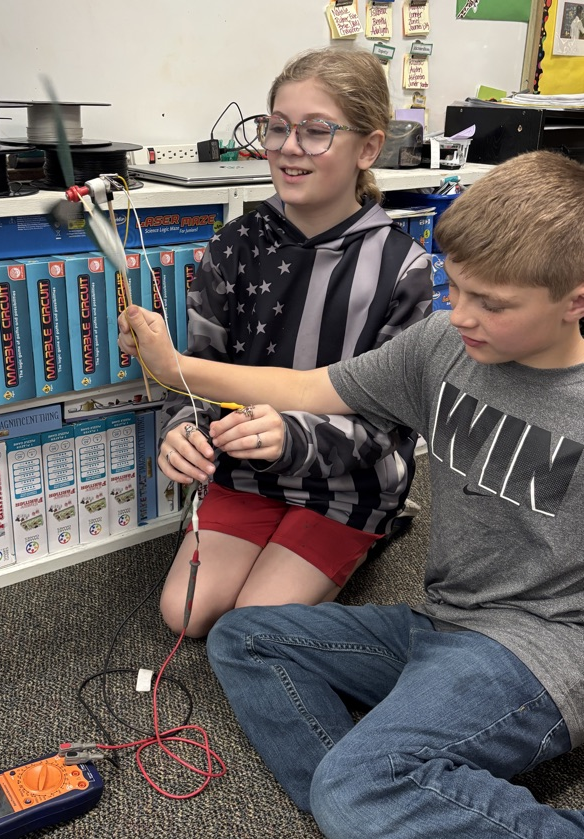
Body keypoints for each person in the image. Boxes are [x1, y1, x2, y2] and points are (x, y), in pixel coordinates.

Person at [118, 149, 584, 839]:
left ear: (575, 300)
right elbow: (306, 388)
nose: (461, 315)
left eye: (492, 303)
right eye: (454, 289)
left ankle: (377, 797)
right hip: (445, 624)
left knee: (356, 791)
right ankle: (383, 801)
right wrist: (171, 367)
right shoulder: (443, 345)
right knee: (245, 637)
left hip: (542, 648)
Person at [152, 47, 432, 637]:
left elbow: (392, 426)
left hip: (347, 479)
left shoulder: (402, 267)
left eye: (316, 131)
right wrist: (181, 429)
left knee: (255, 623)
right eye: (276, 127)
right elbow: (196, 370)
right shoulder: (232, 246)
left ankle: (376, 531)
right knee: (186, 615)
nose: (287, 147)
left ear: (368, 148)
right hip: (247, 474)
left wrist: (293, 437)